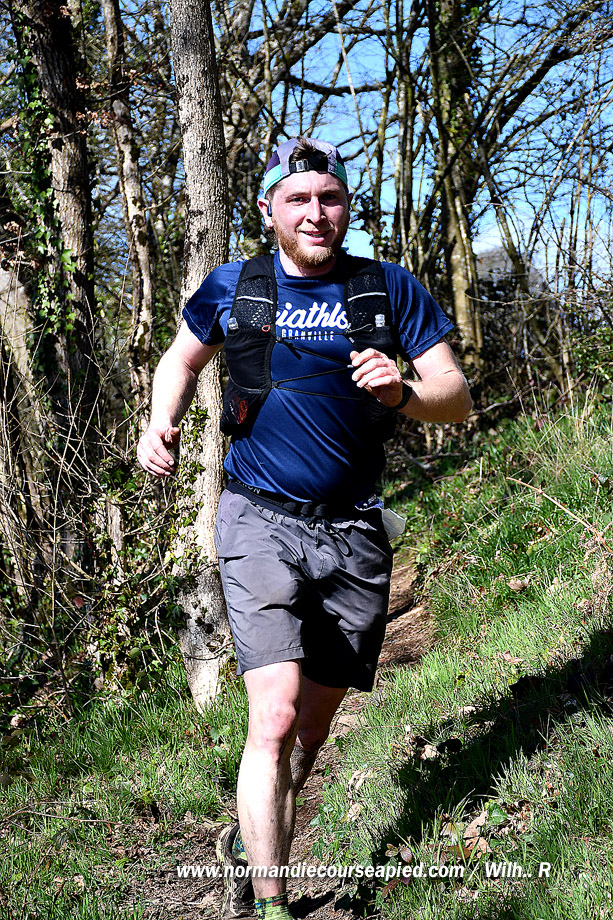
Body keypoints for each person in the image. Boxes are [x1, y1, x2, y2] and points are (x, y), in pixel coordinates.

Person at [137, 137, 472, 920]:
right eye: (298, 200)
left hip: (354, 532)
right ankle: (270, 902)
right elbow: (179, 361)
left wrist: (401, 393)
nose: (315, 213)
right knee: (276, 714)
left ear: (345, 207)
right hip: (257, 517)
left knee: (311, 731)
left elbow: (455, 396)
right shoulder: (234, 287)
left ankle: (252, 839)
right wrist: (160, 422)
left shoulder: (386, 289)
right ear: (268, 211)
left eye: (329, 198)